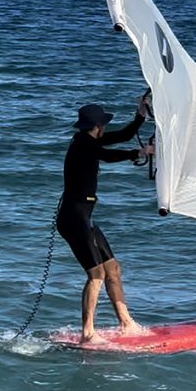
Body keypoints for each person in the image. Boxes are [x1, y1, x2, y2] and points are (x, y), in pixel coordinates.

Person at [56, 97, 152, 343]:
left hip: (84, 216)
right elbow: (107, 156)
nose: (105, 129)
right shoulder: (83, 145)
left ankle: (126, 323)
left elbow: (123, 135)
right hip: (73, 217)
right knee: (96, 274)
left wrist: (140, 115)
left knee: (113, 269)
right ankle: (88, 333)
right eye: (104, 124)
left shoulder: (88, 140)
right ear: (98, 126)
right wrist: (139, 152)